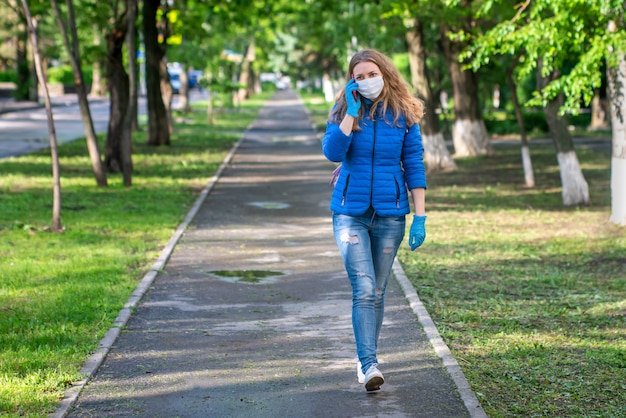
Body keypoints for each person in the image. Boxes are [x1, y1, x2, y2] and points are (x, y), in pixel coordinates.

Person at [321, 49, 427, 392]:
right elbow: (332, 153)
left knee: (378, 291)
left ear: (385, 73)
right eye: (359, 76)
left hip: (391, 213)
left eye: (371, 73)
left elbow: (414, 165)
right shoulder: (343, 109)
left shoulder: (404, 114)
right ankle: (368, 365)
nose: (366, 80)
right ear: (351, 80)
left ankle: (367, 358)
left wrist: (420, 216)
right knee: (364, 289)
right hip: (350, 212)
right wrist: (351, 114)